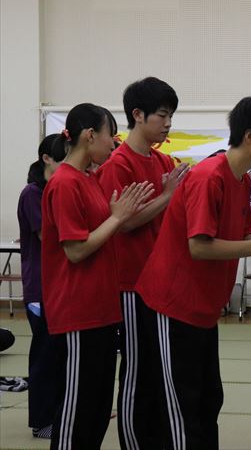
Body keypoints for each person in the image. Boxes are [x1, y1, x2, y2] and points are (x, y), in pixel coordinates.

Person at [135, 94, 251, 449]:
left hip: (203, 308)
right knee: (181, 406)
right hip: (173, 305)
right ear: (250, 136)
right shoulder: (208, 177)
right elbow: (199, 247)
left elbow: (241, 235)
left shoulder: (241, 179)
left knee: (207, 399)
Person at [41, 103, 153, 449]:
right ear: (90, 135)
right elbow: (76, 251)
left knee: (97, 408)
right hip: (78, 312)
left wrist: (122, 215)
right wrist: (118, 218)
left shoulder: (89, 179)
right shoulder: (64, 183)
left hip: (103, 310)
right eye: (110, 135)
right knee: (77, 411)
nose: (114, 143)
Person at [95, 77, 190, 449]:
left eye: (170, 116)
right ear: (138, 115)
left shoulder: (164, 161)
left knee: (161, 371)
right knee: (137, 370)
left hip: (162, 283)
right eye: (162, 115)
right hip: (131, 284)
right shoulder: (117, 165)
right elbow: (124, 223)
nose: (168, 124)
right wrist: (167, 196)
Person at [16, 134, 67, 438]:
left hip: (61, 285)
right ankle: (43, 420)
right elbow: (48, 237)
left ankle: (63, 412)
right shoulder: (33, 193)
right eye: (64, 158)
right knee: (45, 355)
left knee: (62, 354)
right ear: (46, 159)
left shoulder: (56, 189)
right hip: (41, 287)